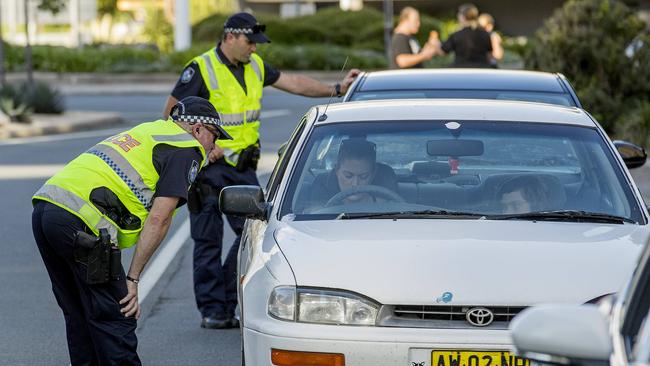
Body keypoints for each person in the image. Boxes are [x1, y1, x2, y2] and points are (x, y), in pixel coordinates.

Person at [162, 12, 360, 330]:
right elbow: (171, 112)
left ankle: (227, 297)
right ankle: (215, 310)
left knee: (250, 238)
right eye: (249, 42)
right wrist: (202, 147)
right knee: (208, 240)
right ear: (230, 37)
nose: (254, 48)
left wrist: (336, 88)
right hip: (210, 170)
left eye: (256, 43)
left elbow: (293, 82)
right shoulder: (201, 68)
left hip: (242, 170)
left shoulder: (254, 67)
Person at [31, 96, 229, 365]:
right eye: (213, 137)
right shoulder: (187, 148)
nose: (213, 147)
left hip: (47, 208)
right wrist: (133, 279)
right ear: (197, 130)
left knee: (78, 313)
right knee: (116, 315)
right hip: (81, 222)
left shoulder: (150, 131)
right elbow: (160, 218)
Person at [299, 139, 398, 212]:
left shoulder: (389, 210)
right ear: (337, 171)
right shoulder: (318, 211)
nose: (355, 184)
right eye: (348, 176)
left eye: (363, 176)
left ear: (373, 174)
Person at [430, 3, 493, 68]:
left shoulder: (456, 35)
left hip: (461, 69)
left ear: (462, 17)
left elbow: (442, 52)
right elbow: (490, 55)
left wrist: (435, 43)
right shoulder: (485, 34)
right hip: (482, 69)